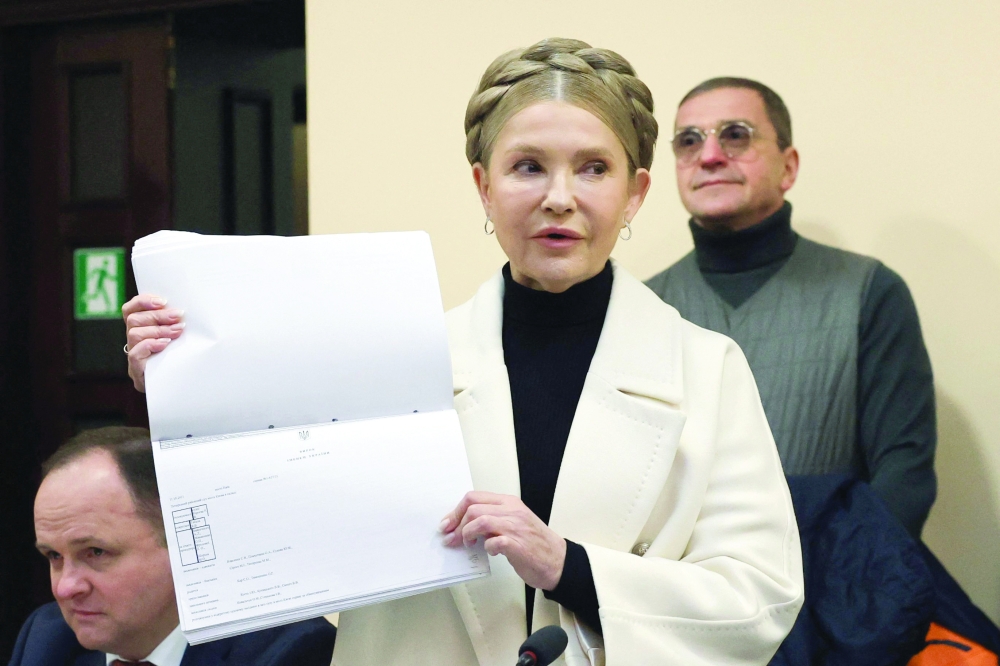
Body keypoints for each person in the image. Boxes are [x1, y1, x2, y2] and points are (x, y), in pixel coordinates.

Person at [122, 39, 803, 665]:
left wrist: (569, 566)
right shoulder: (397, 359)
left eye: (593, 168)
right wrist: (186, 390)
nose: (559, 198)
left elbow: (759, 596)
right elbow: (271, 524)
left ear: (635, 193)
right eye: (528, 167)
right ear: (484, 186)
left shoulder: (706, 369)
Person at [644, 77, 937, 539]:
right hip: (680, 600)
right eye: (689, 140)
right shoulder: (641, 310)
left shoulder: (868, 292)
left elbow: (906, 478)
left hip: (838, 593)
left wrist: (837, 589)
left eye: (736, 134)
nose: (710, 155)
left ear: (789, 166)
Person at [10, 427, 337, 666]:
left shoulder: (286, 650)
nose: (66, 588)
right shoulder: (47, 639)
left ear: (185, 545)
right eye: (54, 556)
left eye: (95, 552)